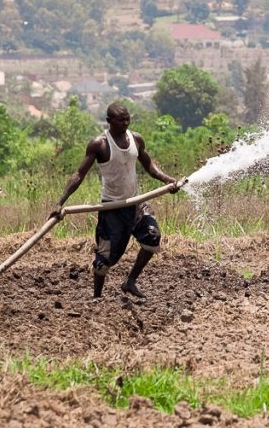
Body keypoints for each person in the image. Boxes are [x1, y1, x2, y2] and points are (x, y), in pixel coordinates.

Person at [53, 102, 179, 300]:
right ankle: (97, 298)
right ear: (109, 121)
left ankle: (130, 282)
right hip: (112, 208)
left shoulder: (136, 139)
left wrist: (169, 180)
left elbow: (150, 166)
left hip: (137, 202)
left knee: (152, 238)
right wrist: (60, 203)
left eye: (128, 119)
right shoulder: (99, 144)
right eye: (121, 120)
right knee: (104, 261)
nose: (125, 123)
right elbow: (79, 175)